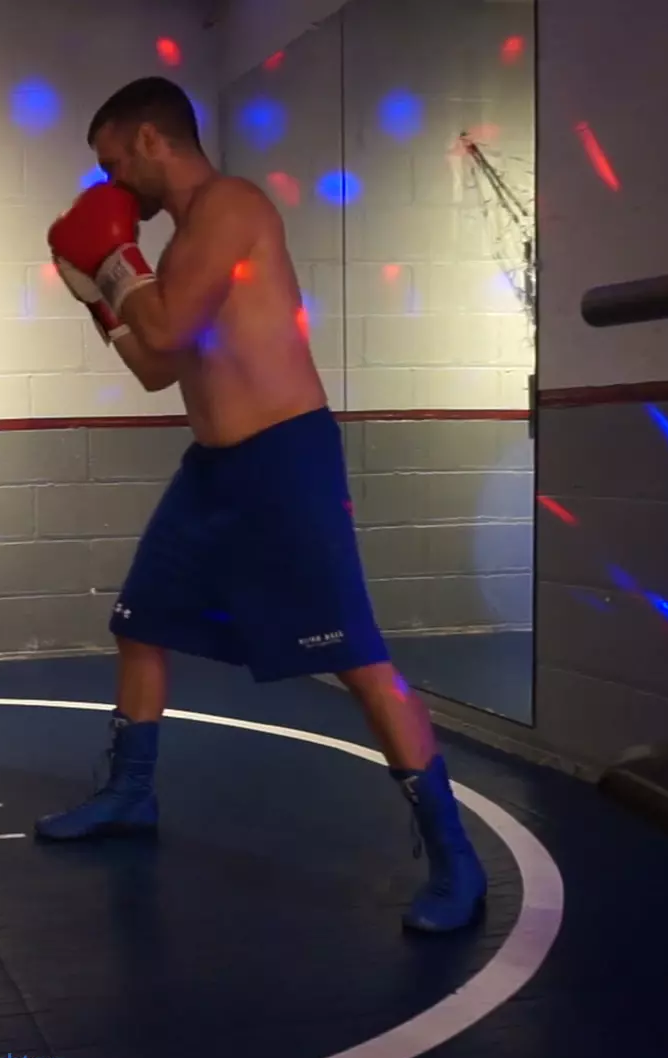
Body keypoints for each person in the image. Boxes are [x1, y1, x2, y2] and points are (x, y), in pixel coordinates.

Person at [38, 77, 487, 933]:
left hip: (284, 460)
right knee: (140, 623)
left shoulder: (231, 204)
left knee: (359, 662)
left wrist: (110, 262)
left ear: (149, 139)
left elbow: (165, 330)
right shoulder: (180, 245)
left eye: (112, 162)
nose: (110, 183)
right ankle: (130, 792)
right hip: (213, 469)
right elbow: (155, 367)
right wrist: (99, 297)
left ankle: (454, 858)